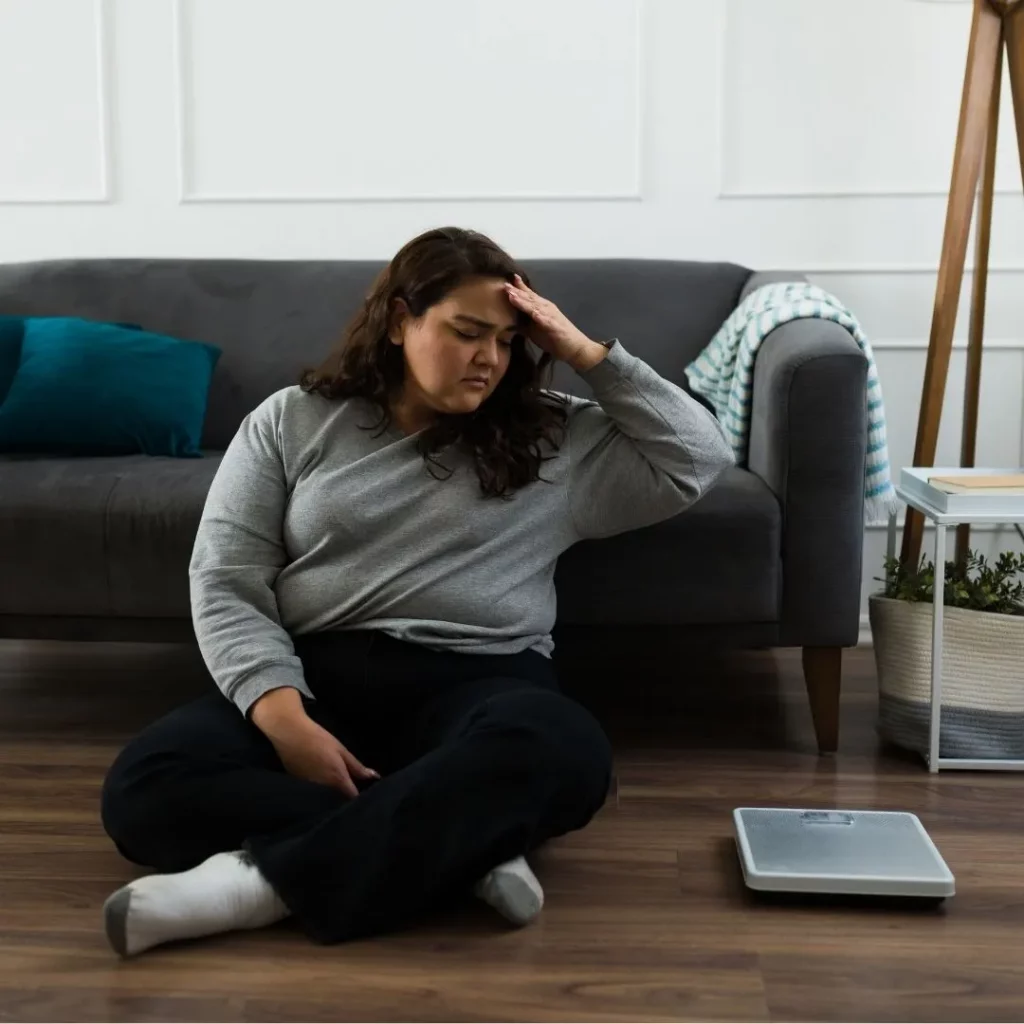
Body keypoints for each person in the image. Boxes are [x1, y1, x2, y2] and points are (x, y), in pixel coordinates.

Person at [99, 227, 733, 957]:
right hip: (315, 680)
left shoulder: (560, 438)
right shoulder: (291, 419)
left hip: (481, 682)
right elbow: (226, 576)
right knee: (143, 791)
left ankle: (253, 885)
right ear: (401, 320)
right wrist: (284, 720)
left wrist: (585, 354)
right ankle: (464, 838)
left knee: (566, 749)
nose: (490, 359)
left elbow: (698, 458)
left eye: (506, 341)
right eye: (468, 333)